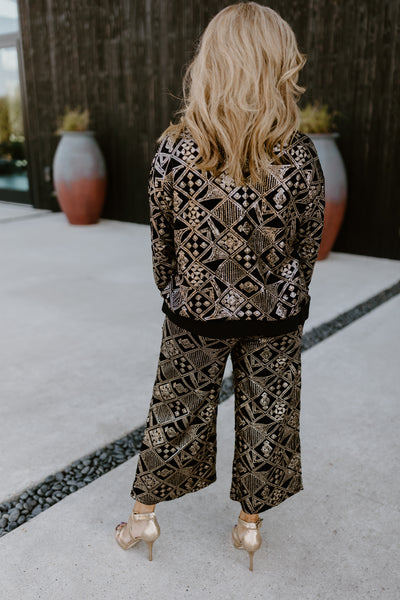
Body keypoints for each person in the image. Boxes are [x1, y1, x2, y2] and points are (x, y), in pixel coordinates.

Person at [115, 2, 325, 572]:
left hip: (196, 311)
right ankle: (250, 527)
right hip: (275, 314)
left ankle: (143, 517)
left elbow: (162, 239)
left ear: (211, 65)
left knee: (175, 412)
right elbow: (310, 241)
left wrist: (179, 291)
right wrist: (287, 293)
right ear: (276, 66)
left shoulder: (175, 152)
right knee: (269, 417)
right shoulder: (299, 155)